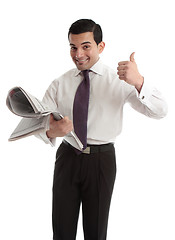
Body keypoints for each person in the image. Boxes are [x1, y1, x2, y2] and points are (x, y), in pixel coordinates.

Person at [37, 19, 167, 240]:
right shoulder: (59, 83)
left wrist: (139, 82)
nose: (78, 54)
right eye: (73, 47)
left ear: (101, 47)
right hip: (67, 158)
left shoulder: (120, 81)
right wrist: (52, 132)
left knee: (96, 232)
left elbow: (160, 111)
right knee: (61, 230)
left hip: (101, 160)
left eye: (85, 46)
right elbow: (39, 124)